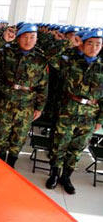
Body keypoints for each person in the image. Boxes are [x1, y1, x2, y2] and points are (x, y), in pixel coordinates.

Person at [46, 30, 103, 195]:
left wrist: (100, 118)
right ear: (82, 44)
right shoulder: (70, 62)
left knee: (77, 148)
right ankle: (54, 174)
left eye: (98, 44)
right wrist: (68, 43)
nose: (94, 48)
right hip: (68, 110)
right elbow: (49, 57)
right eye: (90, 43)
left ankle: (66, 177)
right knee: (59, 144)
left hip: (90, 114)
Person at [0, 24, 49, 168]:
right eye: (25, 37)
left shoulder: (41, 59)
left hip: (26, 106)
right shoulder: (6, 52)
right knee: (1, 135)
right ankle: (0, 163)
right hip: (5, 102)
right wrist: (2, 40)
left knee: (19, 137)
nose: (28, 40)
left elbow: (43, 85)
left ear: (36, 39)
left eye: (32, 37)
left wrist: (40, 107)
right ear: (18, 38)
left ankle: (11, 165)